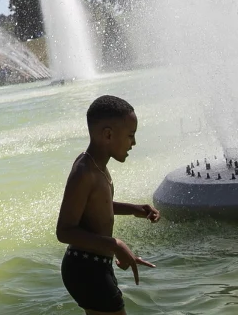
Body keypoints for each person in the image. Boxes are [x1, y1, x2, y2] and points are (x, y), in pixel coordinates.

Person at [56, 95, 160, 315]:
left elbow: (97, 205)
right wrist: (115, 245)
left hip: (93, 265)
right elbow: (64, 231)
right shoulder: (84, 172)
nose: (134, 143)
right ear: (108, 134)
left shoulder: (98, 165)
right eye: (131, 135)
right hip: (85, 268)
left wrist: (133, 209)